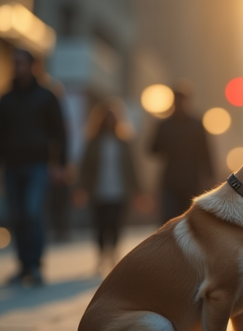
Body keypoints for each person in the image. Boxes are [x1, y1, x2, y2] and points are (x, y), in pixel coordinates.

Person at [0, 49, 67, 286]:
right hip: (12, 165)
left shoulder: (46, 96)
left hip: (37, 165)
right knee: (17, 216)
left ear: (33, 66)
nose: (16, 66)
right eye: (14, 62)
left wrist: (60, 163)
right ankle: (23, 266)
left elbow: (59, 132)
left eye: (20, 62)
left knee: (32, 213)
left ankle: (36, 265)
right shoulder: (6, 98)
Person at [75, 100, 140, 274]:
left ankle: (113, 253)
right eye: (107, 118)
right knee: (100, 224)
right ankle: (101, 255)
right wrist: (81, 189)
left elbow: (132, 168)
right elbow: (85, 167)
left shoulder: (123, 143)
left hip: (120, 190)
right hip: (99, 190)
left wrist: (138, 191)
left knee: (116, 223)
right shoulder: (94, 143)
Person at [149, 82, 215, 224]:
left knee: (188, 218)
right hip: (170, 180)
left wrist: (209, 175)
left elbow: (205, 152)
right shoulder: (164, 125)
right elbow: (153, 150)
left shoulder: (196, 125)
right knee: (169, 218)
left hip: (191, 180)